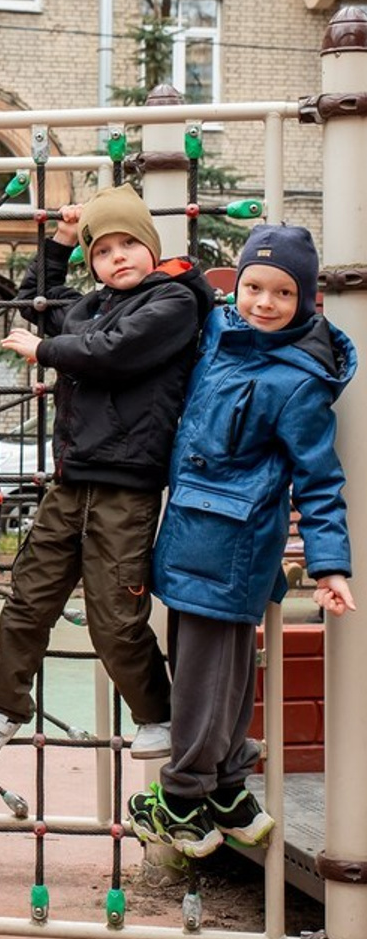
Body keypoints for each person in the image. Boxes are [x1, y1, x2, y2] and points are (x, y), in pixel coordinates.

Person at [0, 184, 214, 773]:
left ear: (151, 246)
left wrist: (46, 351)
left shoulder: (174, 301)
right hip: (71, 481)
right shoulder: (92, 307)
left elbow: (113, 352)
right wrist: (63, 240)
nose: (117, 257)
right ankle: (1, 708)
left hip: (128, 486)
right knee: (28, 599)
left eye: (128, 244)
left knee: (116, 617)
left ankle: (157, 713)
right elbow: (39, 300)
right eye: (103, 251)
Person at [128, 224, 356, 856]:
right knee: (213, 673)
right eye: (254, 286)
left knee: (204, 679)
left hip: (230, 549)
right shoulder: (217, 336)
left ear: (305, 300)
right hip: (189, 538)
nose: (264, 303)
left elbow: (319, 479)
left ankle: (181, 800)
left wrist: (330, 565)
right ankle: (229, 789)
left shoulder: (299, 380)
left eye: (282, 293)